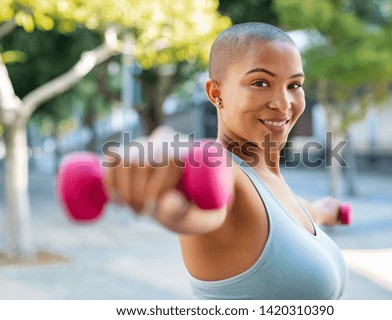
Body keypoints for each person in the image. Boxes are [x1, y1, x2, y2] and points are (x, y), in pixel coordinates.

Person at [104, 22, 348, 300]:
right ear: (215, 93)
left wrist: (325, 212)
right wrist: (167, 154)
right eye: (260, 82)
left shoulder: (269, 180)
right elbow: (207, 199)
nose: (283, 102)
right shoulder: (225, 175)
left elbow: (290, 215)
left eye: (294, 85)